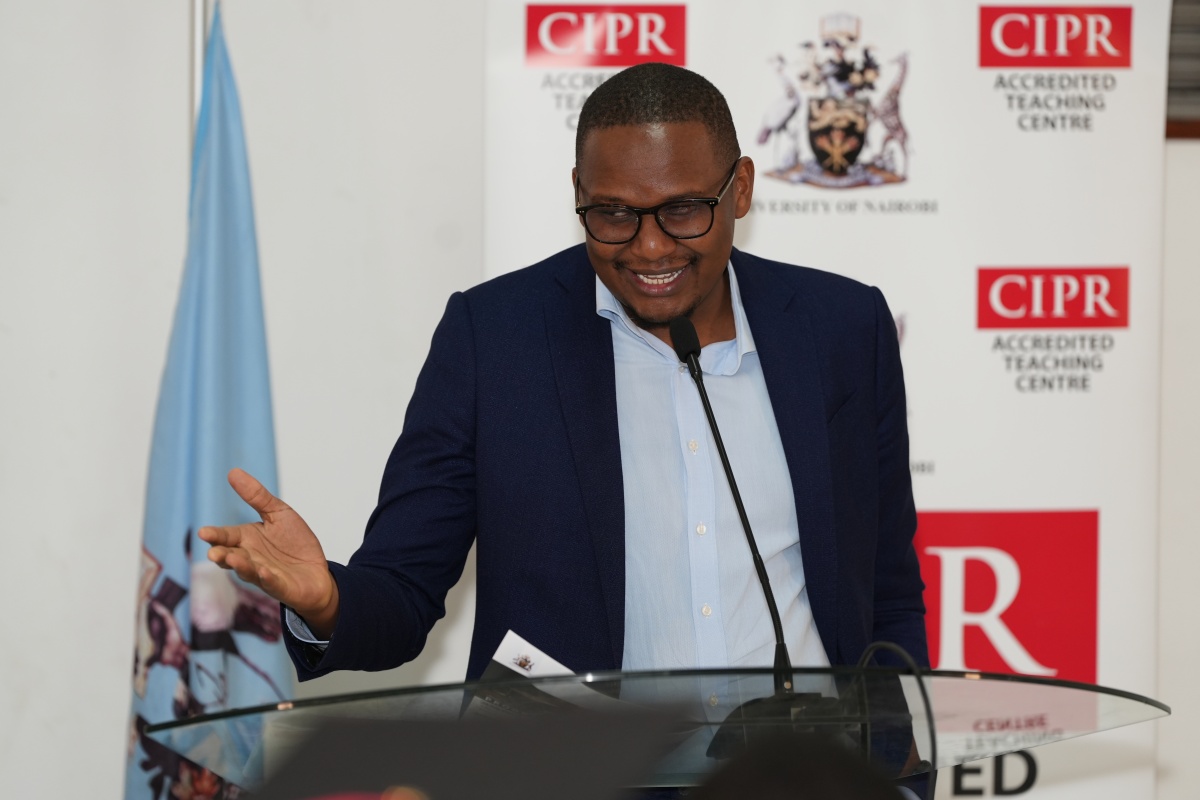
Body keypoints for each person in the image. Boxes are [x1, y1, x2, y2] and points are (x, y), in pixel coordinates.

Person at [200, 62, 927, 686]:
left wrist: (898, 771)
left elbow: (888, 594)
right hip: (578, 772)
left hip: (802, 772)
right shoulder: (495, 339)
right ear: (578, 191)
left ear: (739, 189)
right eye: (613, 214)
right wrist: (329, 601)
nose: (648, 248)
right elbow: (402, 590)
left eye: (682, 211)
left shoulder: (842, 329)